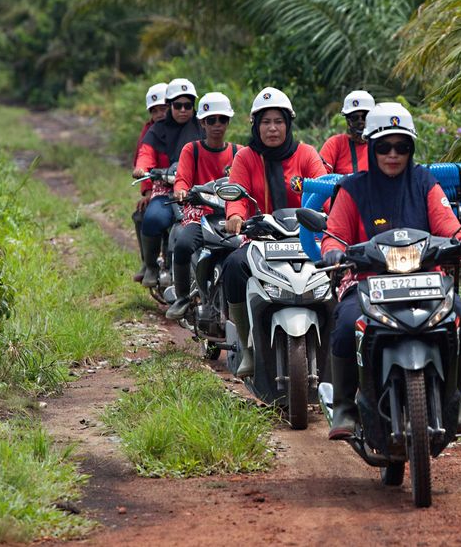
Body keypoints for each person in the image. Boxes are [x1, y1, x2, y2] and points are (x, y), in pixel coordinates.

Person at [317, 102, 461, 441]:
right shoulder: (351, 189)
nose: (393, 154)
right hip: (367, 282)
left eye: (402, 146)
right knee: (346, 324)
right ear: (371, 147)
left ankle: (457, 397)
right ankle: (345, 406)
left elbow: (448, 225)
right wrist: (334, 251)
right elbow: (333, 234)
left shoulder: (425, 182)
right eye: (384, 146)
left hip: (426, 281)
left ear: (411, 148)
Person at [222, 87, 327, 377]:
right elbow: (237, 195)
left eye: (278, 121)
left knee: (340, 270)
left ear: (288, 124)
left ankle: (338, 350)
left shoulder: (305, 154)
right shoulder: (245, 157)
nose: (272, 128)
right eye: (265, 122)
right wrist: (235, 215)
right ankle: (248, 347)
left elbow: (324, 188)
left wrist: (332, 211)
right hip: (261, 238)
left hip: (306, 238)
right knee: (233, 267)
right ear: (255, 125)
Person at [165, 92, 240, 319]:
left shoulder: (239, 152)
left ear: (228, 122)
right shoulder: (192, 149)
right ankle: (182, 297)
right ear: (202, 123)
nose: (217, 125)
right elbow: (182, 178)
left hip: (231, 215)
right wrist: (181, 190)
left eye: (222, 119)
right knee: (183, 244)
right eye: (211, 120)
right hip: (200, 214)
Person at [134, 78, 202, 288]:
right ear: (170, 106)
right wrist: (142, 168)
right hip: (165, 190)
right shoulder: (156, 130)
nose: (183, 110)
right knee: (153, 218)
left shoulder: (203, 127)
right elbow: (146, 153)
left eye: (188, 105)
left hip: (194, 191)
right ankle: (152, 265)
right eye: (177, 105)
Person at [131, 82, 168, 283]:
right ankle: (149, 262)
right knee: (141, 215)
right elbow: (143, 159)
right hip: (157, 186)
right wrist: (147, 192)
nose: (160, 114)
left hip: (182, 186)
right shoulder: (149, 132)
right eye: (155, 111)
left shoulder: (182, 128)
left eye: (163, 109)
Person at [319, 90, 375, 174]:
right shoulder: (336, 144)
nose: (361, 122)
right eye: (355, 118)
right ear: (348, 121)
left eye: (364, 116)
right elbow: (319, 177)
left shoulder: (381, 145)